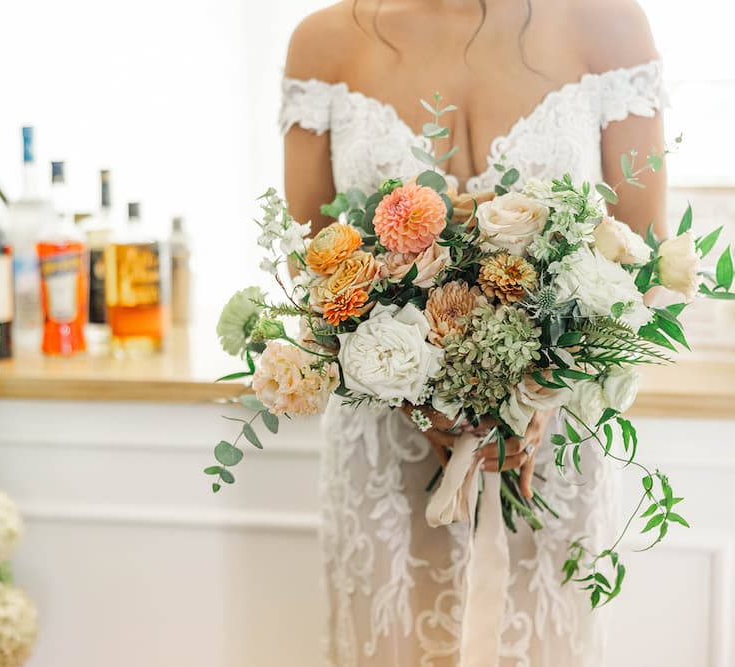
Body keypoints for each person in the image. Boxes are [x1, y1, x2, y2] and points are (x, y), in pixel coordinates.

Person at [280, 1, 666, 665]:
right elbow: (311, 265)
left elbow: (645, 262)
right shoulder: (325, 41)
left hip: (550, 450)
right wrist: (413, 397)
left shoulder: (607, 22)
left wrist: (540, 392)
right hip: (385, 452)